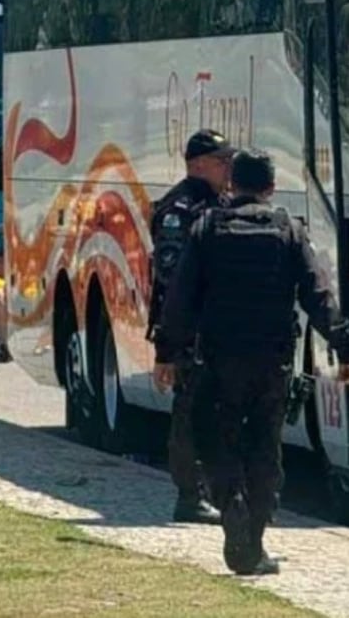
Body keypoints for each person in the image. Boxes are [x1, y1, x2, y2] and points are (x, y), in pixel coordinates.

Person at [157, 148, 349, 576]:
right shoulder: (289, 231)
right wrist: (344, 345)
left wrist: (168, 352)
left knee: (214, 442)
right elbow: (318, 297)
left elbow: (180, 299)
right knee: (265, 448)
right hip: (271, 363)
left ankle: (232, 507)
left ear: (233, 184)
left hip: (218, 360)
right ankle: (253, 545)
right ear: (270, 187)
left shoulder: (207, 228)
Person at [148, 128, 234, 525]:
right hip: (190, 328)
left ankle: (221, 490)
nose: (228, 168)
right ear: (198, 165)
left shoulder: (219, 202)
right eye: (222, 161)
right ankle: (190, 495)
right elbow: (171, 274)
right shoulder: (180, 208)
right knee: (190, 409)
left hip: (219, 325)